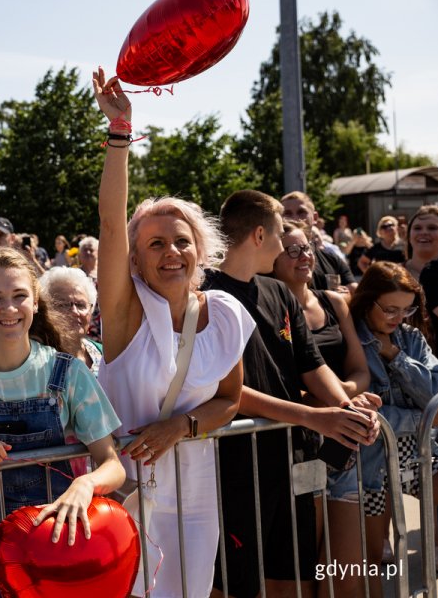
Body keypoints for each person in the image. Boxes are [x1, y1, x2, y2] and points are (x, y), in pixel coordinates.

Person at [92, 68, 253, 598]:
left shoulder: (225, 313)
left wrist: (180, 427)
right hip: (125, 492)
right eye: (155, 243)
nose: (171, 252)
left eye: (181, 241)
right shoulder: (125, 310)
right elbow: (112, 224)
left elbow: (229, 400)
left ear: (200, 251)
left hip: (197, 488)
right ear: (135, 258)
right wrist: (120, 134)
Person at [201, 189, 380, 598]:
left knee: (293, 575)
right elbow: (224, 391)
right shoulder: (205, 295)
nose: (286, 244)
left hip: (293, 456)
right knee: (232, 582)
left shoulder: (278, 292)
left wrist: (346, 406)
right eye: (282, 234)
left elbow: (312, 364)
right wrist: (313, 416)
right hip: (237, 464)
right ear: (260, 235)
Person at [0, 246, 125, 598]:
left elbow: (113, 464)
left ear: (35, 302)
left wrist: (86, 484)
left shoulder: (68, 373)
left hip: (58, 544)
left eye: (19, 296)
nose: (8, 309)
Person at [326, 262, 438, 596]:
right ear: (368, 300)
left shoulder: (409, 337)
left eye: (407, 310)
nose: (398, 318)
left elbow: (436, 399)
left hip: (419, 454)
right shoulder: (349, 338)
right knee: (371, 558)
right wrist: (420, 417)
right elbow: (363, 411)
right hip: (370, 461)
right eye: (390, 309)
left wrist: (395, 355)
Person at [272, 220, 370, 397]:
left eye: (307, 247)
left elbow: (361, 372)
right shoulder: (267, 311)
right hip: (301, 416)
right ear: (272, 260)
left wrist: (344, 395)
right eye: (293, 251)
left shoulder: (334, 302)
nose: (305, 256)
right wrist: (333, 400)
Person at [280, 192, 356, 293]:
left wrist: (342, 297)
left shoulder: (331, 259)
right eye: (287, 214)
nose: (295, 219)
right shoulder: (272, 260)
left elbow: (354, 289)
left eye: (301, 212)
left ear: (315, 218)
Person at [39, 267, 102, 375]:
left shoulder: (103, 353)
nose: (74, 312)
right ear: (45, 309)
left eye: (80, 305)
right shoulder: (37, 360)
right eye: (63, 305)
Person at [405, 205, 438, 279]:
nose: (424, 232)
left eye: (432, 228)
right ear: (409, 236)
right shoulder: (390, 275)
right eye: (417, 228)